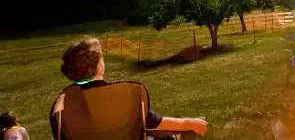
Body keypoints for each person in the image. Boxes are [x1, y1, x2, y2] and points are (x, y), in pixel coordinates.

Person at [49, 37, 208, 139]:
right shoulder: (122, 95)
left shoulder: (61, 106)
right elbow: (157, 123)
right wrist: (192, 123)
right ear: (99, 67)